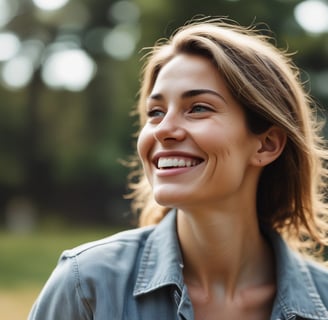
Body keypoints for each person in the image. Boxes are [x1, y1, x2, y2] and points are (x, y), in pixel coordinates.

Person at [29, 18, 328, 320]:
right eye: (155, 112)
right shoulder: (86, 286)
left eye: (198, 108)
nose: (162, 130)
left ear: (266, 145)